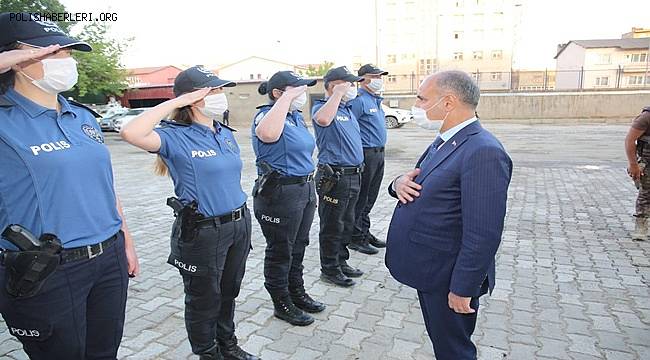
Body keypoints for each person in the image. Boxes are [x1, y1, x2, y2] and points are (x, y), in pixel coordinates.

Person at [0, 13, 139, 360]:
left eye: (68, 52)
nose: (66, 60)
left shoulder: (82, 116)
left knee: (104, 353)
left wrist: (126, 241)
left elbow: (104, 186)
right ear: (16, 59)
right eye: (52, 52)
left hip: (108, 260)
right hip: (47, 270)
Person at [120, 66, 258, 360]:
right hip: (203, 232)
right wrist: (174, 102)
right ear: (194, 98)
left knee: (228, 292)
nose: (222, 96)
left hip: (238, 223)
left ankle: (228, 346)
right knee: (203, 299)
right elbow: (130, 132)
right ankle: (208, 353)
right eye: (214, 91)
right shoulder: (174, 136)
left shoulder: (223, 132)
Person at [385, 71, 512, 360]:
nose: (416, 105)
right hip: (431, 270)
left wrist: (462, 289)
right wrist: (397, 184)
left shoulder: (483, 151)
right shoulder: (447, 139)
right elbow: (423, 183)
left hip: (448, 278)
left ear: (448, 102)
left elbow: (483, 233)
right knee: (443, 345)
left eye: (421, 99)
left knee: (454, 351)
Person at [252, 71, 325, 326]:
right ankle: (281, 302)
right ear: (278, 93)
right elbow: (269, 135)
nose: (302, 95)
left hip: (304, 189)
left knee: (299, 245)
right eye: (297, 90)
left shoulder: (294, 117)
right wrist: (285, 100)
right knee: (281, 250)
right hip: (280, 193)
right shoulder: (267, 115)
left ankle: (296, 292)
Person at [311, 66, 365, 287]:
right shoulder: (322, 108)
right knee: (332, 225)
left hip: (354, 174)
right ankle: (330, 269)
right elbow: (323, 120)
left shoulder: (346, 110)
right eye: (348, 83)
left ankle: (341, 261)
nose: (352, 87)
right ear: (333, 85)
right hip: (335, 176)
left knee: (347, 222)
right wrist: (337, 94)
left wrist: (341, 96)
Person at [347, 64, 389, 255]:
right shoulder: (359, 101)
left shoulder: (375, 101)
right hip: (366, 154)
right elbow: (350, 130)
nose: (379, 79)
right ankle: (356, 238)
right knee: (362, 198)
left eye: (380, 76)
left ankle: (364, 231)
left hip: (378, 154)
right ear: (362, 79)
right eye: (374, 76)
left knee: (370, 197)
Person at [625, 105, 650, 241]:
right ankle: (641, 226)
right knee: (646, 194)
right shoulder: (646, 118)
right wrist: (634, 165)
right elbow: (629, 140)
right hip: (647, 162)